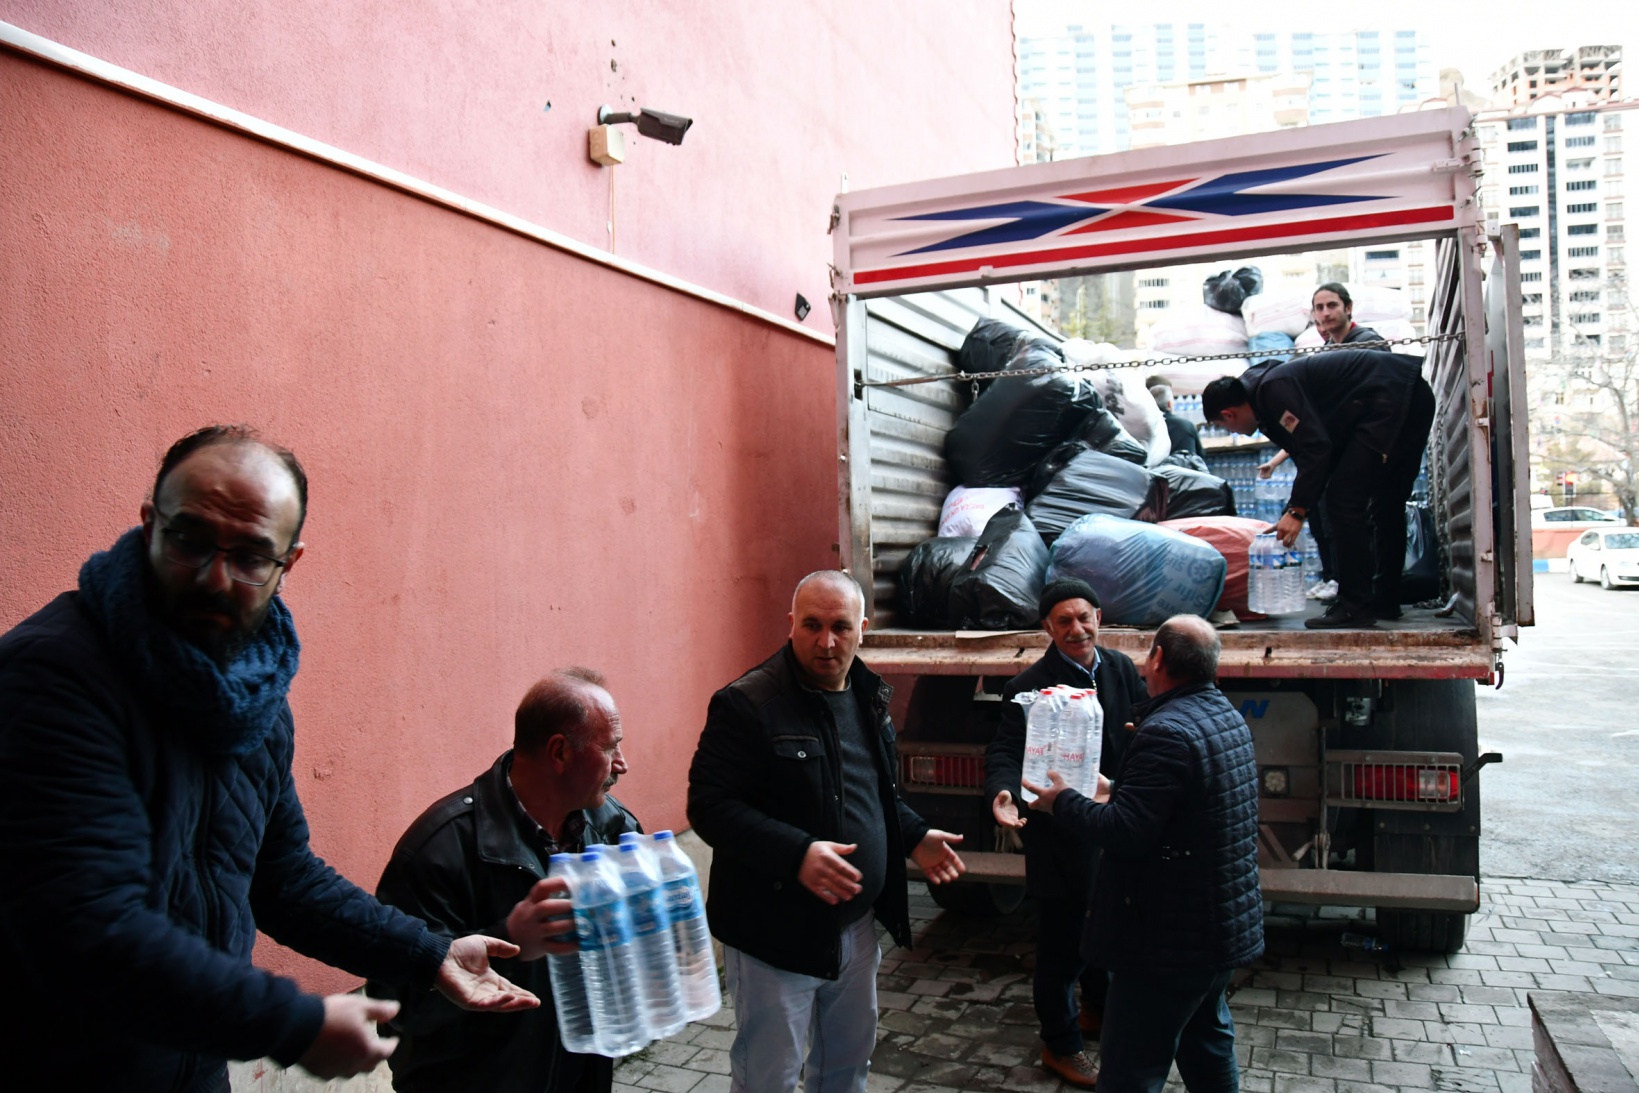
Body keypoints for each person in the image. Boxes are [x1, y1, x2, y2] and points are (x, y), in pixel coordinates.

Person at [0, 426, 536, 1092]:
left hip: (191, 1068)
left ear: (289, 560)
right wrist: (294, 1023)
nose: (214, 577)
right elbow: (91, 929)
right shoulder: (53, 674)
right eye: (190, 539)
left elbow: (280, 874)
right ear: (148, 523)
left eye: (251, 554)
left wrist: (427, 952)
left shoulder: (252, 693)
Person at [687, 570, 966, 1093]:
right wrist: (798, 854)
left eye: (840, 626)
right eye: (811, 625)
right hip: (775, 932)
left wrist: (914, 835)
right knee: (768, 1078)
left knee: (845, 1068)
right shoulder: (747, 704)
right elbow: (709, 806)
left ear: (863, 627)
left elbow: (874, 793)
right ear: (791, 623)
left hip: (856, 927)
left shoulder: (869, 695)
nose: (826, 641)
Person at [371, 668, 640, 1093]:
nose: (622, 764)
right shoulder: (440, 848)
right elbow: (395, 1008)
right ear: (560, 753)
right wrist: (509, 944)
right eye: (611, 747)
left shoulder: (614, 828)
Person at [1024, 616, 1262, 1093]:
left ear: (1157, 659)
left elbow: (1126, 832)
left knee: (1131, 1071)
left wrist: (1062, 801)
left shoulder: (1167, 731)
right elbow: (1176, 805)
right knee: (1206, 1039)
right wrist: (1114, 788)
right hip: (1216, 933)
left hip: (1166, 941)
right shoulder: (1222, 715)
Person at [984, 579, 1143, 1089]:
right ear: (1047, 628)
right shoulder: (1029, 686)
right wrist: (1003, 794)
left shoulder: (1118, 669)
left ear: (1098, 616)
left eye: (1083, 618)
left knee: (1108, 928)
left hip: (1112, 824)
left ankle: (1097, 1012)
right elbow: (1006, 752)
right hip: (1059, 834)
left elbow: (1144, 725)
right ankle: (1061, 1044)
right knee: (1063, 944)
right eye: (1063, 622)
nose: (1076, 629)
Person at [1201, 346, 1436, 628]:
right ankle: (1383, 598)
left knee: (1344, 499)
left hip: (1389, 400)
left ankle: (1355, 605)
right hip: (1405, 395)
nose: (1233, 433)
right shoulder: (1263, 394)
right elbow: (1312, 456)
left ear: (1228, 414)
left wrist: (1297, 511)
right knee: (1386, 504)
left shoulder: (1271, 391)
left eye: (1226, 427)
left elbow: (1316, 447)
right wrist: (1296, 508)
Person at [1257, 283, 1386, 601]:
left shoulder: (1368, 343)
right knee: (1325, 515)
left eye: (1332, 305)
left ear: (1348, 308)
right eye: (1320, 308)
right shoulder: (1325, 354)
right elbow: (1313, 426)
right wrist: (1274, 462)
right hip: (1339, 451)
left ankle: (1364, 588)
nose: (1326, 313)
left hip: (1368, 446)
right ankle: (1337, 579)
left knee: (1357, 516)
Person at [1148, 384, 1207, 462]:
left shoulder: (1146, 427)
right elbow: (1201, 456)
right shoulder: (1186, 425)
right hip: (1188, 472)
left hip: (1155, 472)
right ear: (1170, 404)